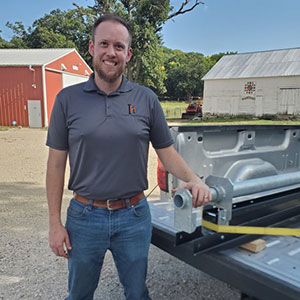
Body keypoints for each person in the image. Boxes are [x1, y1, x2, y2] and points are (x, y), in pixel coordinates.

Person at [46, 14, 212, 300]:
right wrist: (54, 224)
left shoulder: (146, 99)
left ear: (128, 54)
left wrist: (195, 179)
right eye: (105, 44)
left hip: (133, 217)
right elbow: (55, 165)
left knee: (136, 292)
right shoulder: (67, 100)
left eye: (119, 46)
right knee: (79, 294)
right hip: (85, 217)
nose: (111, 52)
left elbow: (167, 152)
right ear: (92, 47)